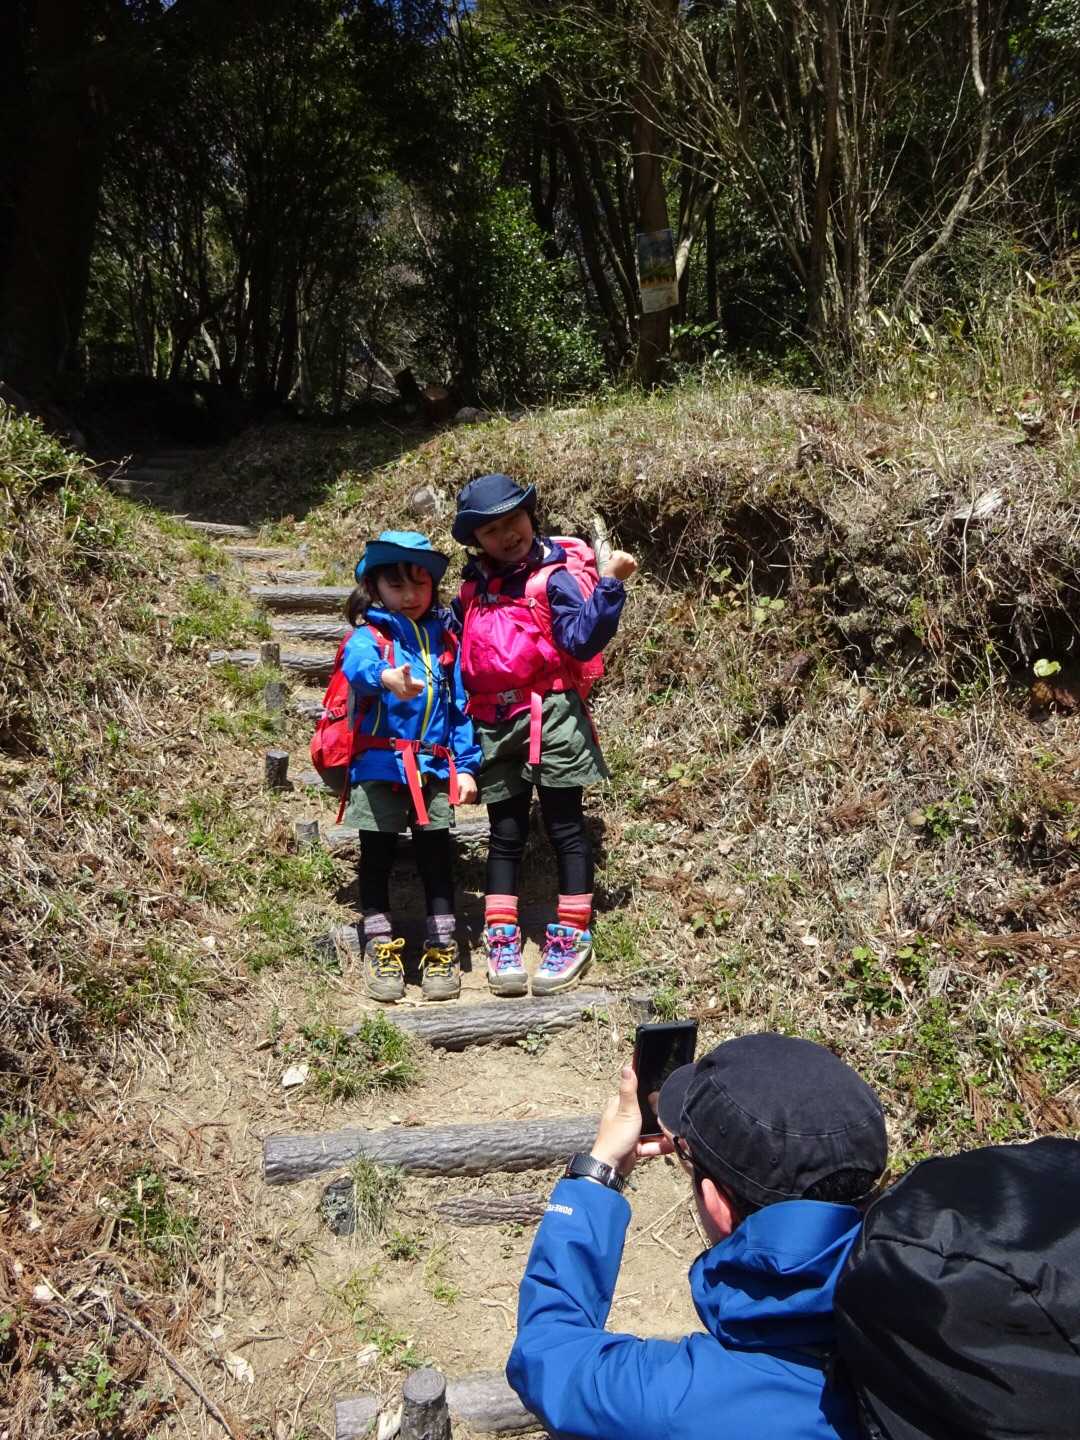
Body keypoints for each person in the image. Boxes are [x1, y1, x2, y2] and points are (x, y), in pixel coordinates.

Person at [507, 1033, 888, 1440]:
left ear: (717, 1206)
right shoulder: (923, 1301)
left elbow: (548, 1353)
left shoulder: (678, 1405)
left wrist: (598, 1173)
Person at [452, 473, 637, 997]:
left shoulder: (550, 579)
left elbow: (579, 641)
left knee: (564, 825)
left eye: (514, 520)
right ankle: (502, 937)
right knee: (505, 832)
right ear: (476, 540)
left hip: (550, 713)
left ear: (531, 516)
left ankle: (572, 935)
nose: (507, 535)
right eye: (491, 530)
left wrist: (609, 585)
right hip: (492, 720)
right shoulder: (472, 590)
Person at [340, 530, 481, 1003]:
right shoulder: (369, 637)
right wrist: (386, 677)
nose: (409, 595)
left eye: (419, 584)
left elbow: (459, 710)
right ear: (374, 588)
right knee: (376, 854)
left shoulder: (444, 643)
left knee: (437, 855)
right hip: (380, 764)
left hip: (433, 768)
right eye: (396, 585)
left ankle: (441, 946)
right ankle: (379, 945)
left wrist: (466, 767)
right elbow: (356, 668)